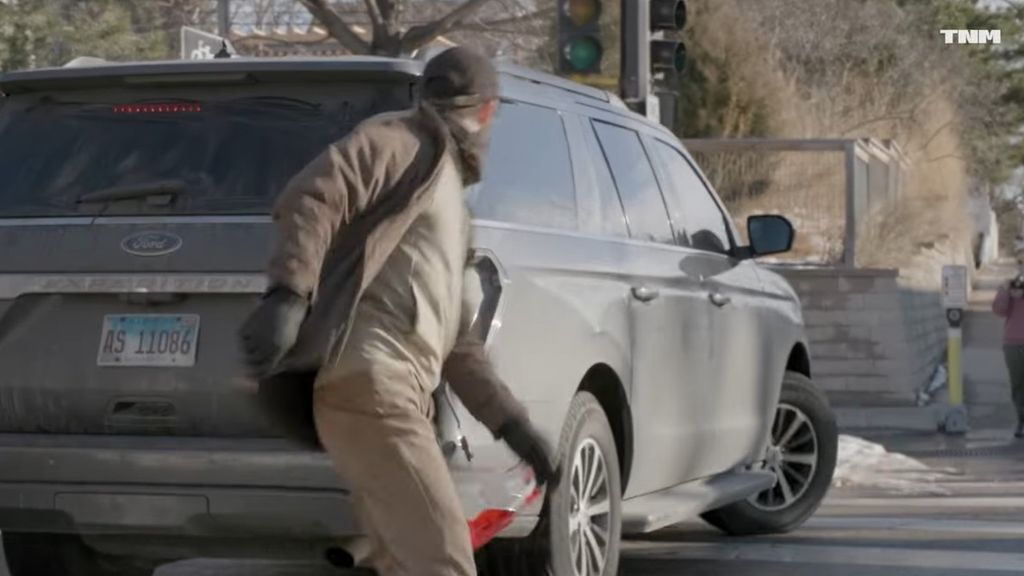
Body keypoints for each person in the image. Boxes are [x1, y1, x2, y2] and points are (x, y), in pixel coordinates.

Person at [238, 47, 558, 575]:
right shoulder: (402, 141)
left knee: (406, 564)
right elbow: (314, 195)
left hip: (389, 392)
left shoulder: (445, 194)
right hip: (371, 383)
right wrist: (288, 294)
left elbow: (456, 342)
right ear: (487, 112)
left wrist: (513, 425)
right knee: (442, 562)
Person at [992, 271, 1024, 439]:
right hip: (1012, 343)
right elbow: (999, 310)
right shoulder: (1012, 285)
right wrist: (1005, 290)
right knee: (1018, 385)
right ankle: (1021, 420)